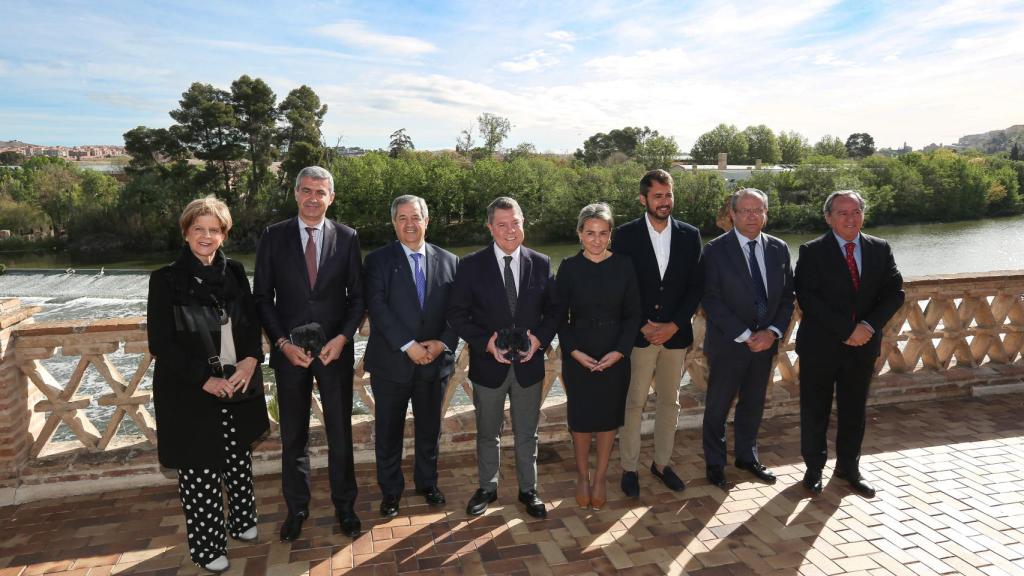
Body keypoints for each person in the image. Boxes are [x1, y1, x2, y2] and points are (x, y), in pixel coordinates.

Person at [147, 197, 269, 573]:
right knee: (199, 466)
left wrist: (251, 359)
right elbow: (161, 344)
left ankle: (242, 521)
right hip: (190, 388)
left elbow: (248, 321)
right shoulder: (166, 279)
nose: (206, 235)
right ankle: (206, 547)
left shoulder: (233, 271)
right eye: (198, 228)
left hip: (237, 379)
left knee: (236, 456)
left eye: (214, 230)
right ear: (186, 233)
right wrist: (205, 379)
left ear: (223, 235)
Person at [253, 166, 365, 539]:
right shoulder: (273, 236)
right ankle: (296, 509)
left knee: (340, 434)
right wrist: (282, 344)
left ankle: (345, 507)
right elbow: (262, 299)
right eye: (306, 190)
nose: (313, 198)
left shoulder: (348, 238)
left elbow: (357, 298)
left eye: (321, 192)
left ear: (331, 197)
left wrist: (343, 339)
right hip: (289, 356)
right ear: (295, 194)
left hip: (334, 354)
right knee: (294, 436)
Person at [448, 197, 563, 519]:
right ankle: (487, 487)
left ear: (523, 222)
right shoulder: (470, 265)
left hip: (530, 366)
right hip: (488, 366)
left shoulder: (540, 262)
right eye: (502, 224)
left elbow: (555, 311)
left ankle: (530, 490)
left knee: (528, 432)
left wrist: (539, 339)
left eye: (515, 222)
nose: (510, 230)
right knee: (488, 432)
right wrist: (486, 343)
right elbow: (456, 315)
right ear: (490, 228)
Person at [795, 190, 904, 498]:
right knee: (815, 410)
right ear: (829, 217)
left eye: (855, 212)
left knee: (854, 409)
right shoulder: (811, 251)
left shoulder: (880, 249)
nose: (850, 218)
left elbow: (895, 293)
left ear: (863, 215)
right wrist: (847, 330)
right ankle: (813, 468)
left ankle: (848, 468)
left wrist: (867, 327)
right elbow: (808, 298)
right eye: (842, 213)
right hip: (821, 346)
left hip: (863, 345)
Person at [363, 195, 458, 518]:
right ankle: (391, 492)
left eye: (415, 217)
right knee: (388, 432)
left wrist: (442, 343)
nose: (409, 224)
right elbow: (377, 307)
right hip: (391, 363)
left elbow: (457, 311)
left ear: (426, 220)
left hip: (434, 364)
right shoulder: (377, 261)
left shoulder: (450, 261)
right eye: (402, 218)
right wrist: (409, 345)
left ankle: (427, 483)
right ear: (393, 223)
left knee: (429, 429)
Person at [611, 169, 703, 498]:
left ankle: (662, 465)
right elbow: (620, 287)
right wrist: (642, 325)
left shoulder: (690, 235)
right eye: (658, 196)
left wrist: (675, 325)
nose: (665, 202)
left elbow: (696, 286)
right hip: (639, 335)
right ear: (643, 199)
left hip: (676, 336)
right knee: (633, 403)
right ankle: (630, 468)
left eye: (668, 195)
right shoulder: (624, 236)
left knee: (670, 402)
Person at [701, 188, 795, 489]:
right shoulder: (714, 250)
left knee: (753, 403)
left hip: (766, 344)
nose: (752, 216)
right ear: (733, 214)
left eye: (758, 210)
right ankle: (716, 465)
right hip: (729, 343)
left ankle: (747, 456)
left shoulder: (779, 249)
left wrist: (772, 333)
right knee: (718, 406)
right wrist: (745, 335)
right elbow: (711, 300)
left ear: (766, 214)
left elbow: (787, 299)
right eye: (745, 210)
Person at [556, 203, 642, 510]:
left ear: (610, 235)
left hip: (615, 353)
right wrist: (574, 352)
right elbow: (558, 318)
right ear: (579, 234)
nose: (596, 239)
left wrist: (620, 351)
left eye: (603, 233)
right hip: (578, 353)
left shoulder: (624, 265)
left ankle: (601, 476)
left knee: (608, 419)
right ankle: (582, 475)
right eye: (590, 233)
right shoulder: (568, 267)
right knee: (580, 419)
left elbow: (634, 315)